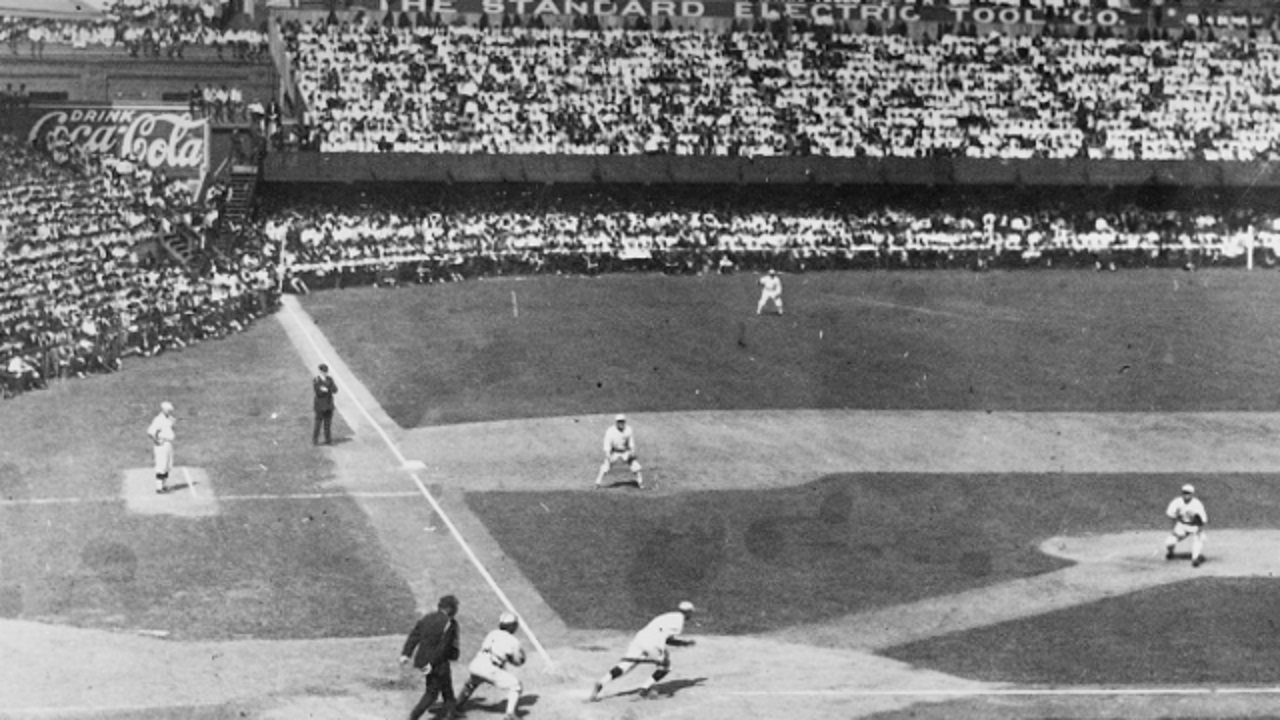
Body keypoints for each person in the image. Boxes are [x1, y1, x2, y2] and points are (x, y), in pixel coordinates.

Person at [589, 601, 696, 702]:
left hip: (640, 638)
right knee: (666, 667)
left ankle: (601, 682)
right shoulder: (679, 623)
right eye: (691, 612)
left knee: (626, 665)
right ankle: (644, 689)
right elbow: (666, 638)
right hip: (653, 641)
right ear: (688, 612)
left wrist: (681, 644)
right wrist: (682, 644)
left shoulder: (668, 615)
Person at [449, 612, 526, 720]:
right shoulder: (513, 641)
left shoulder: (492, 633)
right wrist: (516, 659)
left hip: (476, 664)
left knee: (471, 684)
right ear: (512, 626)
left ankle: (455, 709)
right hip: (490, 669)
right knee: (516, 686)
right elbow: (517, 661)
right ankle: (510, 714)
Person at [400, 594, 461, 720]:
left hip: (423, 659)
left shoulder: (427, 618)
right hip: (437, 662)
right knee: (432, 693)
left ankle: (451, 711)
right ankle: (413, 716)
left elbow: (414, 635)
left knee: (446, 686)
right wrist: (432, 664)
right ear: (449, 608)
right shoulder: (449, 623)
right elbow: (443, 647)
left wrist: (406, 654)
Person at [595, 414, 643, 489]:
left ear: (625, 422)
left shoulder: (629, 430)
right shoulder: (610, 431)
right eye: (619, 422)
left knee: (636, 466)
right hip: (614, 452)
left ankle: (640, 483)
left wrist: (632, 451)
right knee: (606, 466)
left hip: (625, 451)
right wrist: (607, 453)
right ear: (616, 422)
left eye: (622, 421)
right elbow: (607, 443)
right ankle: (597, 483)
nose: (621, 423)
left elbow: (631, 443)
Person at [1165, 483, 1208, 567]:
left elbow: (1203, 519)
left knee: (1199, 539)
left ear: (1192, 494)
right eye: (1184, 493)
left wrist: (1199, 529)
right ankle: (1171, 553)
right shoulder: (1177, 502)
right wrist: (1175, 520)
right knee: (1169, 542)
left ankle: (1195, 559)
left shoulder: (1197, 504)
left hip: (1194, 526)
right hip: (1181, 526)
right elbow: (1170, 514)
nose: (1186, 495)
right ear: (1182, 493)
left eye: (1188, 493)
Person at [147, 401, 177, 494]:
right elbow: (150, 431)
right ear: (164, 409)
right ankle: (159, 488)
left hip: (168, 444)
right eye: (168, 410)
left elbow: (172, 424)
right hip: (161, 445)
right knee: (161, 465)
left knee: (167, 465)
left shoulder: (169, 418)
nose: (170, 412)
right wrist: (156, 440)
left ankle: (163, 486)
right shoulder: (158, 419)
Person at [312, 363, 337, 445]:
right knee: (318, 424)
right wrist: (327, 389)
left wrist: (327, 389)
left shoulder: (329, 379)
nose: (325, 373)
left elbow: (335, 390)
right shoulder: (316, 380)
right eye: (323, 371)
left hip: (329, 405)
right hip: (320, 406)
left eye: (326, 371)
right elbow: (319, 393)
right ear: (320, 371)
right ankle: (314, 440)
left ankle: (328, 440)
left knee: (327, 424)